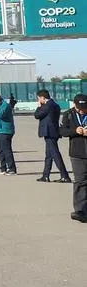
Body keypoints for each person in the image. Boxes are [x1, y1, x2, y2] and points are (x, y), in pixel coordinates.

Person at [57, 93, 87, 223]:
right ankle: (80, 210)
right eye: (80, 108)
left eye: (84, 108)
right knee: (80, 181)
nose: (82, 110)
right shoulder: (68, 114)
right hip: (77, 153)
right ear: (74, 105)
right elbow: (62, 131)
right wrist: (76, 131)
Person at [34, 90, 71, 183]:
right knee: (49, 155)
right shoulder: (55, 104)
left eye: (39, 98)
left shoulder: (47, 105)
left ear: (42, 97)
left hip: (49, 132)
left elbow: (37, 115)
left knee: (55, 154)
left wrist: (39, 106)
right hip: (53, 132)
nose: (38, 100)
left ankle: (65, 176)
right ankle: (45, 175)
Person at [0, 91, 17, 175]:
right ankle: (3, 168)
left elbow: (0, 115)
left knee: (6, 150)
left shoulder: (5, 105)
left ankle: (12, 168)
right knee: (0, 151)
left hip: (5, 131)